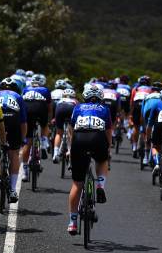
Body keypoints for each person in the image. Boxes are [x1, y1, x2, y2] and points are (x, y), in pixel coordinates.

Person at [66, 85, 112, 235]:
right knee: (102, 161)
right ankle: (100, 185)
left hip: (79, 140)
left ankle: (72, 222)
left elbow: (71, 130)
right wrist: (108, 149)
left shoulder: (78, 108)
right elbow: (108, 132)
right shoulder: (104, 109)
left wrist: (70, 149)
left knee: (77, 184)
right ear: (100, 98)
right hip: (98, 138)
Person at [0, 78, 27, 203]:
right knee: (14, 153)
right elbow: (23, 122)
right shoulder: (18, 96)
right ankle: (13, 189)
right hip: (13, 122)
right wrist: (22, 139)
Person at [21, 73, 52, 180]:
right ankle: (43, 144)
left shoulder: (25, 89)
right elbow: (49, 107)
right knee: (44, 125)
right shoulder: (45, 90)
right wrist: (48, 119)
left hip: (28, 109)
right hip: (40, 108)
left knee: (28, 142)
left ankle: (24, 172)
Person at [140, 82, 162, 165]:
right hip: (159, 110)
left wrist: (143, 125)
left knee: (147, 131)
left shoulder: (147, 96)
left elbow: (142, 112)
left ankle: (145, 157)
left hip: (147, 110)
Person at [129, 76, 152, 158]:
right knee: (147, 129)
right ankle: (146, 153)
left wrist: (131, 114)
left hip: (137, 105)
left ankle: (134, 147)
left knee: (136, 127)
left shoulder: (135, 89)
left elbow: (131, 102)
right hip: (146, 105)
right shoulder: (150, 89)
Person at [53, 88, 78, 163]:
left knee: (58, 133)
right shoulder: (75, 101)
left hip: (60, 108)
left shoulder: (60, 100)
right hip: (71, 108)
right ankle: (70, 150)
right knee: (72, 132)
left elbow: (55, 109)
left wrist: (54, 118)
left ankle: (55, 154)